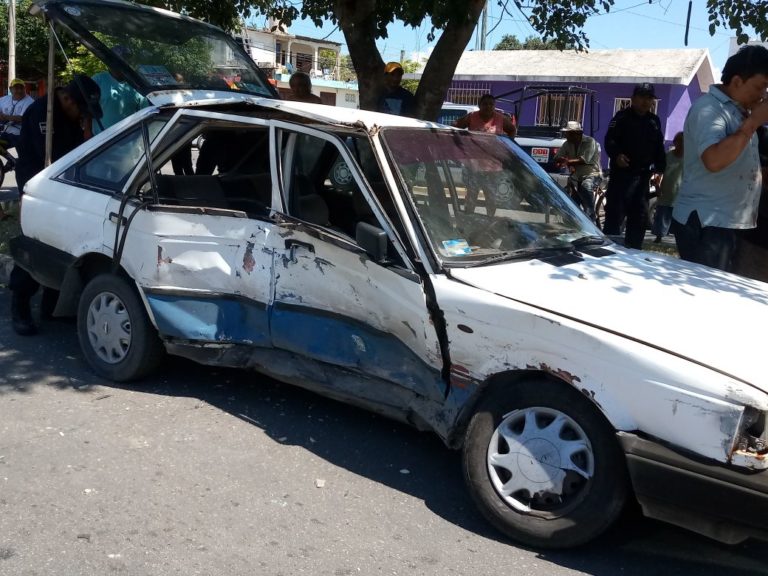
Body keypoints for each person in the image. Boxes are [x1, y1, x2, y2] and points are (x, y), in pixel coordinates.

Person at [9, 74, 102, 336]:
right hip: (37, 184)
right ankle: (20, 305)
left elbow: (83, 152)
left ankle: (51, 306)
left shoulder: (72, 113)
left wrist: (87, 128)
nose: (83, 116)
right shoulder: (42, 112)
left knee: (63, 244)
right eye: (82, 111)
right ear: (68, 99)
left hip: (64, 187)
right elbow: (53, 158)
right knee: (36, 242)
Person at [672, 45, 768, 272]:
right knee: (706, 296)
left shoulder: (737, 111)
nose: (763, 96)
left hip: (727, 220)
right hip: (708, 223)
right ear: (737, 81)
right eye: (759, 87)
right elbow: (714, 161)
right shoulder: (709, 109)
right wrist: (754, 123)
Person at [603, 82, 666, 248]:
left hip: (642, 178)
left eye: (650, 98)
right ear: (633, 99)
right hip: (621, 177)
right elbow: (609, 141)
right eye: (642, 97)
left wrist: (660, 170)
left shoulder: (654, 121)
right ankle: (609, 253)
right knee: (614, 219)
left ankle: (634, 252)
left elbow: (659, 147)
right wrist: (616, 155)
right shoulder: (622, 118)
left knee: (639, 219)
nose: (646, 101)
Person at [452, 94, 517, 216]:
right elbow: (455, 127)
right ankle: (468, 219)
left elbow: (512, 130)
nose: (488, 106)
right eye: (485, 104)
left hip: (493, 166)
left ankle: (490, 221)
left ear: (494, 106)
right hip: (473, 166)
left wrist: (506, 145)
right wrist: (461, 145)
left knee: (491, 197)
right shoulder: (471, 117)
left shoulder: (500, 119)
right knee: (471, 195)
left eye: (491, 104)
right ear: (479, 105)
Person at [553, 120, 601, 221]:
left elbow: (584, 159)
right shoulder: (567, 143)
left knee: (586, 186)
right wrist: (560, 159)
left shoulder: (590, 142)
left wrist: (567, 161)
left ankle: (591, 214)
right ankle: (572, 219)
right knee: (571, 197)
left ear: (577, 134)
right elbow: (557, 157)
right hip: (576, 176)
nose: (566, 135)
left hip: (592, 174)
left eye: (568, 133)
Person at [91, 46, 145, 134]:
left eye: (127, 59)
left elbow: (144, 111)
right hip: (100, 140)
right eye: (120, 59)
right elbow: (87, 108)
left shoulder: (136, 84)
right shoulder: (97, 80)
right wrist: (88, 131)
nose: (125, 62)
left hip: (128, 139)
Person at [651, 131, 684, 242]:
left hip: (681, 194)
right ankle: (659, 237)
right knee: (662, 215)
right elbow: (659, 172)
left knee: (678, 218)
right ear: (674, 142)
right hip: (666, 192)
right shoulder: (668, 156)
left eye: (684, 142)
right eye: (679, 141)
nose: (681, 144)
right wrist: (657, 186)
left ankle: (677, 239)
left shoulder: (689, 158)